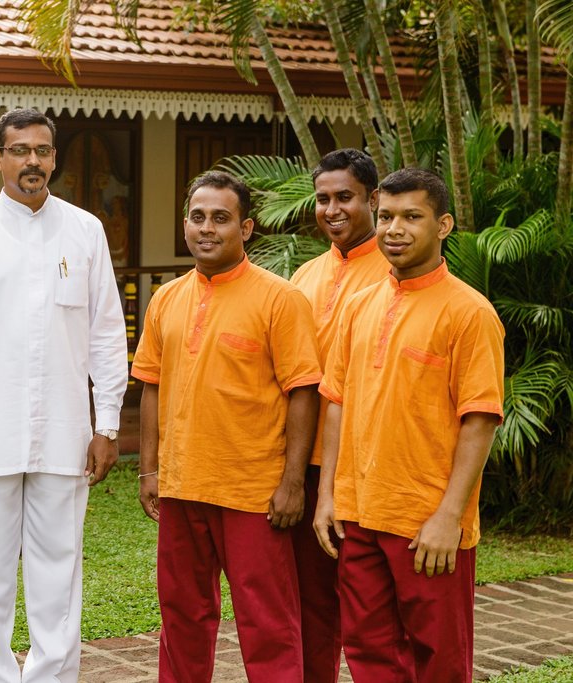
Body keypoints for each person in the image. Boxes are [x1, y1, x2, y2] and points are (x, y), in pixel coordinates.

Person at [0, 108, 128, 683]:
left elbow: (106, 333)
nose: (32, 161)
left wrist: (107, 424)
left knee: (58, 575)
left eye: (42, 150)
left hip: (65, 435)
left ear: (54, 157)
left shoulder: (85, 231)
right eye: (19, 150)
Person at [314, 168, 504, 681]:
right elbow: (336, 402)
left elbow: (480, 420)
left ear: (443, 225)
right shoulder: (359, 306)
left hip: (426, 525)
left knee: (439, 659)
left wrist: (449, 517)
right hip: (358, 515)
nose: (394, 229)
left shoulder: (470, 313)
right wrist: (328, 496)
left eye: (411, 217)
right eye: (386, 217)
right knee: (368, 652)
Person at [132, 170, 321, 682]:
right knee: (182, 616)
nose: (207, 228)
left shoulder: (280, 299)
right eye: (197, 217)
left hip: (253, 492)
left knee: (267, 621)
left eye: (221, 218)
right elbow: (151, 386)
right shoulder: (166, 298)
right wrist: (149, 471)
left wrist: (292, 482)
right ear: (184, 225)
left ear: (247, 228)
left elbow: (303, 392)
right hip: (182, 486)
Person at [288, 148, 388, 682]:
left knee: (371, 610)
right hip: (307, 463)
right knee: (312, 603)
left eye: (345, 197)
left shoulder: (394, 271)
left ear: (373, 199)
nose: (331, 210)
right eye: (323, 198)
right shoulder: (305, 275)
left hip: (367, 466)